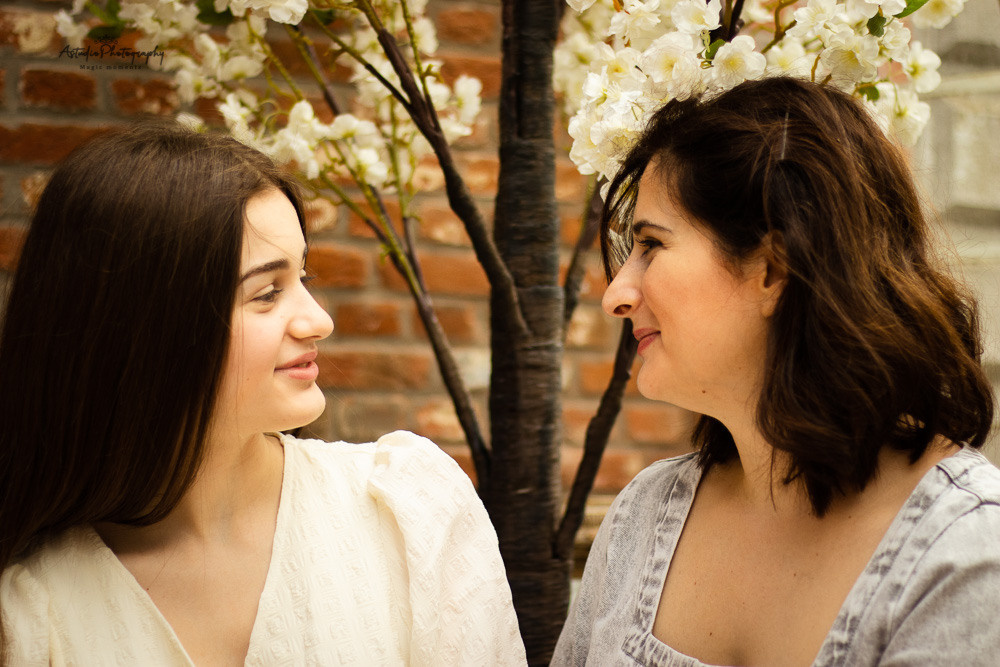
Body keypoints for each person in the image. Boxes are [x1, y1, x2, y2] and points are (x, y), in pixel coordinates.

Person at [0, 124, 526, 666]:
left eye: (305, 275)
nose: (318, 319)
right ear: (146, 326)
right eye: (267, 292)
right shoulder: (29, 609)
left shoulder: (405, 513)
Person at [552, 76, 1000, 666]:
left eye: (652, 245)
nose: (617, 294)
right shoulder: (644, 517)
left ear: (774, 268)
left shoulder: (964, 553)